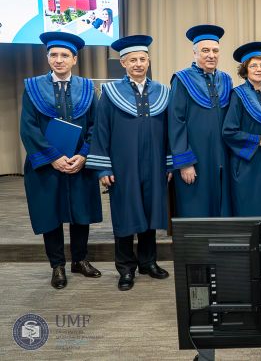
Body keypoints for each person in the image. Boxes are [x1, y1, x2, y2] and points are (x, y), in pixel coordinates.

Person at [86, 35, 172, 291]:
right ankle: (125, 268)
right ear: (123, 63)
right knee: (125, 215)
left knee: (149, 213)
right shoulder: (111, 94)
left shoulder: (162, 92)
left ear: (148, 61)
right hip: (124, 166)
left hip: (154, 163)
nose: (138, 64)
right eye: (132, 60)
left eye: (142, 59)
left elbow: (170, 132)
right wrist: (103, 167)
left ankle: (148, 262)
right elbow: (100, 132)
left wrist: (168, 163)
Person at [20, 32, 103, 289]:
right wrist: (53, 157)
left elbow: (96, 126)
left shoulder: (87, 88)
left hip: (80, 163)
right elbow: (28, 127)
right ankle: (57, 265)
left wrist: (85, 155)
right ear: (47, 58)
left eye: (64, 55)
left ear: (74, 59)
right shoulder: (33, 87)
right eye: (53, 55)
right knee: (51, 215)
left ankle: (80, 259)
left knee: (81, 213)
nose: (59, 60)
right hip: (47, 165)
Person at [169, 25, 233, 217]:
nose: (211, 55)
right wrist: (185, 162)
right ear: (195, 52)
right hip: (195, 157)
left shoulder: (226, 80)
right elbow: (176, 122)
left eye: (215, 51)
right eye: (205, 50)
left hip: (221, 156)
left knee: (222, 205)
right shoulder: (182, 80)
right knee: (196, 206)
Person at [223, 41, 261, 216]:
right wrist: (257, 140)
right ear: (245, 70)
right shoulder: (237, 95)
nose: (259, 69)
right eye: (254, 65)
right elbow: (228, 131)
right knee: (254, 208)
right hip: (249, 163)